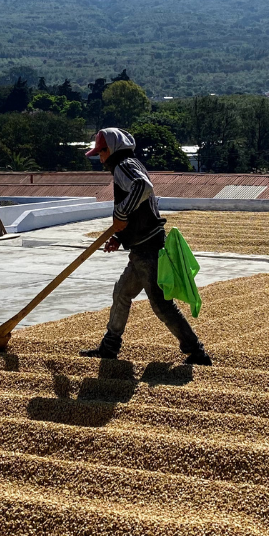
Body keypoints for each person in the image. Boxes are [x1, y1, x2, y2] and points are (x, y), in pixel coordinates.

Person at [79, 127, 212, 365]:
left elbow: (143, 187)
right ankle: (109, 347)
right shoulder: (132, 163)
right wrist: (120, 236)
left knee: (161, 305)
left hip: (147, 249)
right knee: (122, 293)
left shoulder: (123, 166)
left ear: (111, 150)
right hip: (141, 248)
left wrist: (120, 212)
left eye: (101, 153)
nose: (100, 159)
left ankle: (197, 352)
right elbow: (141, 208)